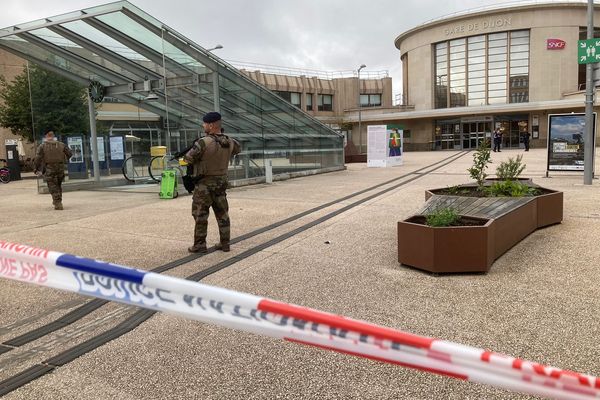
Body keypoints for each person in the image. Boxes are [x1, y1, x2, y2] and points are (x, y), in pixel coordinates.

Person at [184, 112, 241, 253]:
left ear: (210, 125)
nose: (203, 126)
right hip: (221, 182)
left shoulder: (203, 142)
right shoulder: (230, 141)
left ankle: (199, 245)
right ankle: (225, 243)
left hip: (204, 184)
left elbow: (188, 158)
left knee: (200, 214)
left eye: (204, 123)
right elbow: (237, 150)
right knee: (223, 213)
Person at [34, 129, 73, 210]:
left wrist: (36, 168)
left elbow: (37, 158)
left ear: (46, 136)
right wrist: (64, 160)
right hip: (60, 168)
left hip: (49, 168)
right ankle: (57, 201)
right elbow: (69, 153)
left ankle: (58, 203)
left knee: (52, 186)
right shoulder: (61, 144)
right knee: (58, 185)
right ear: (53, 136)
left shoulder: (42, 146)